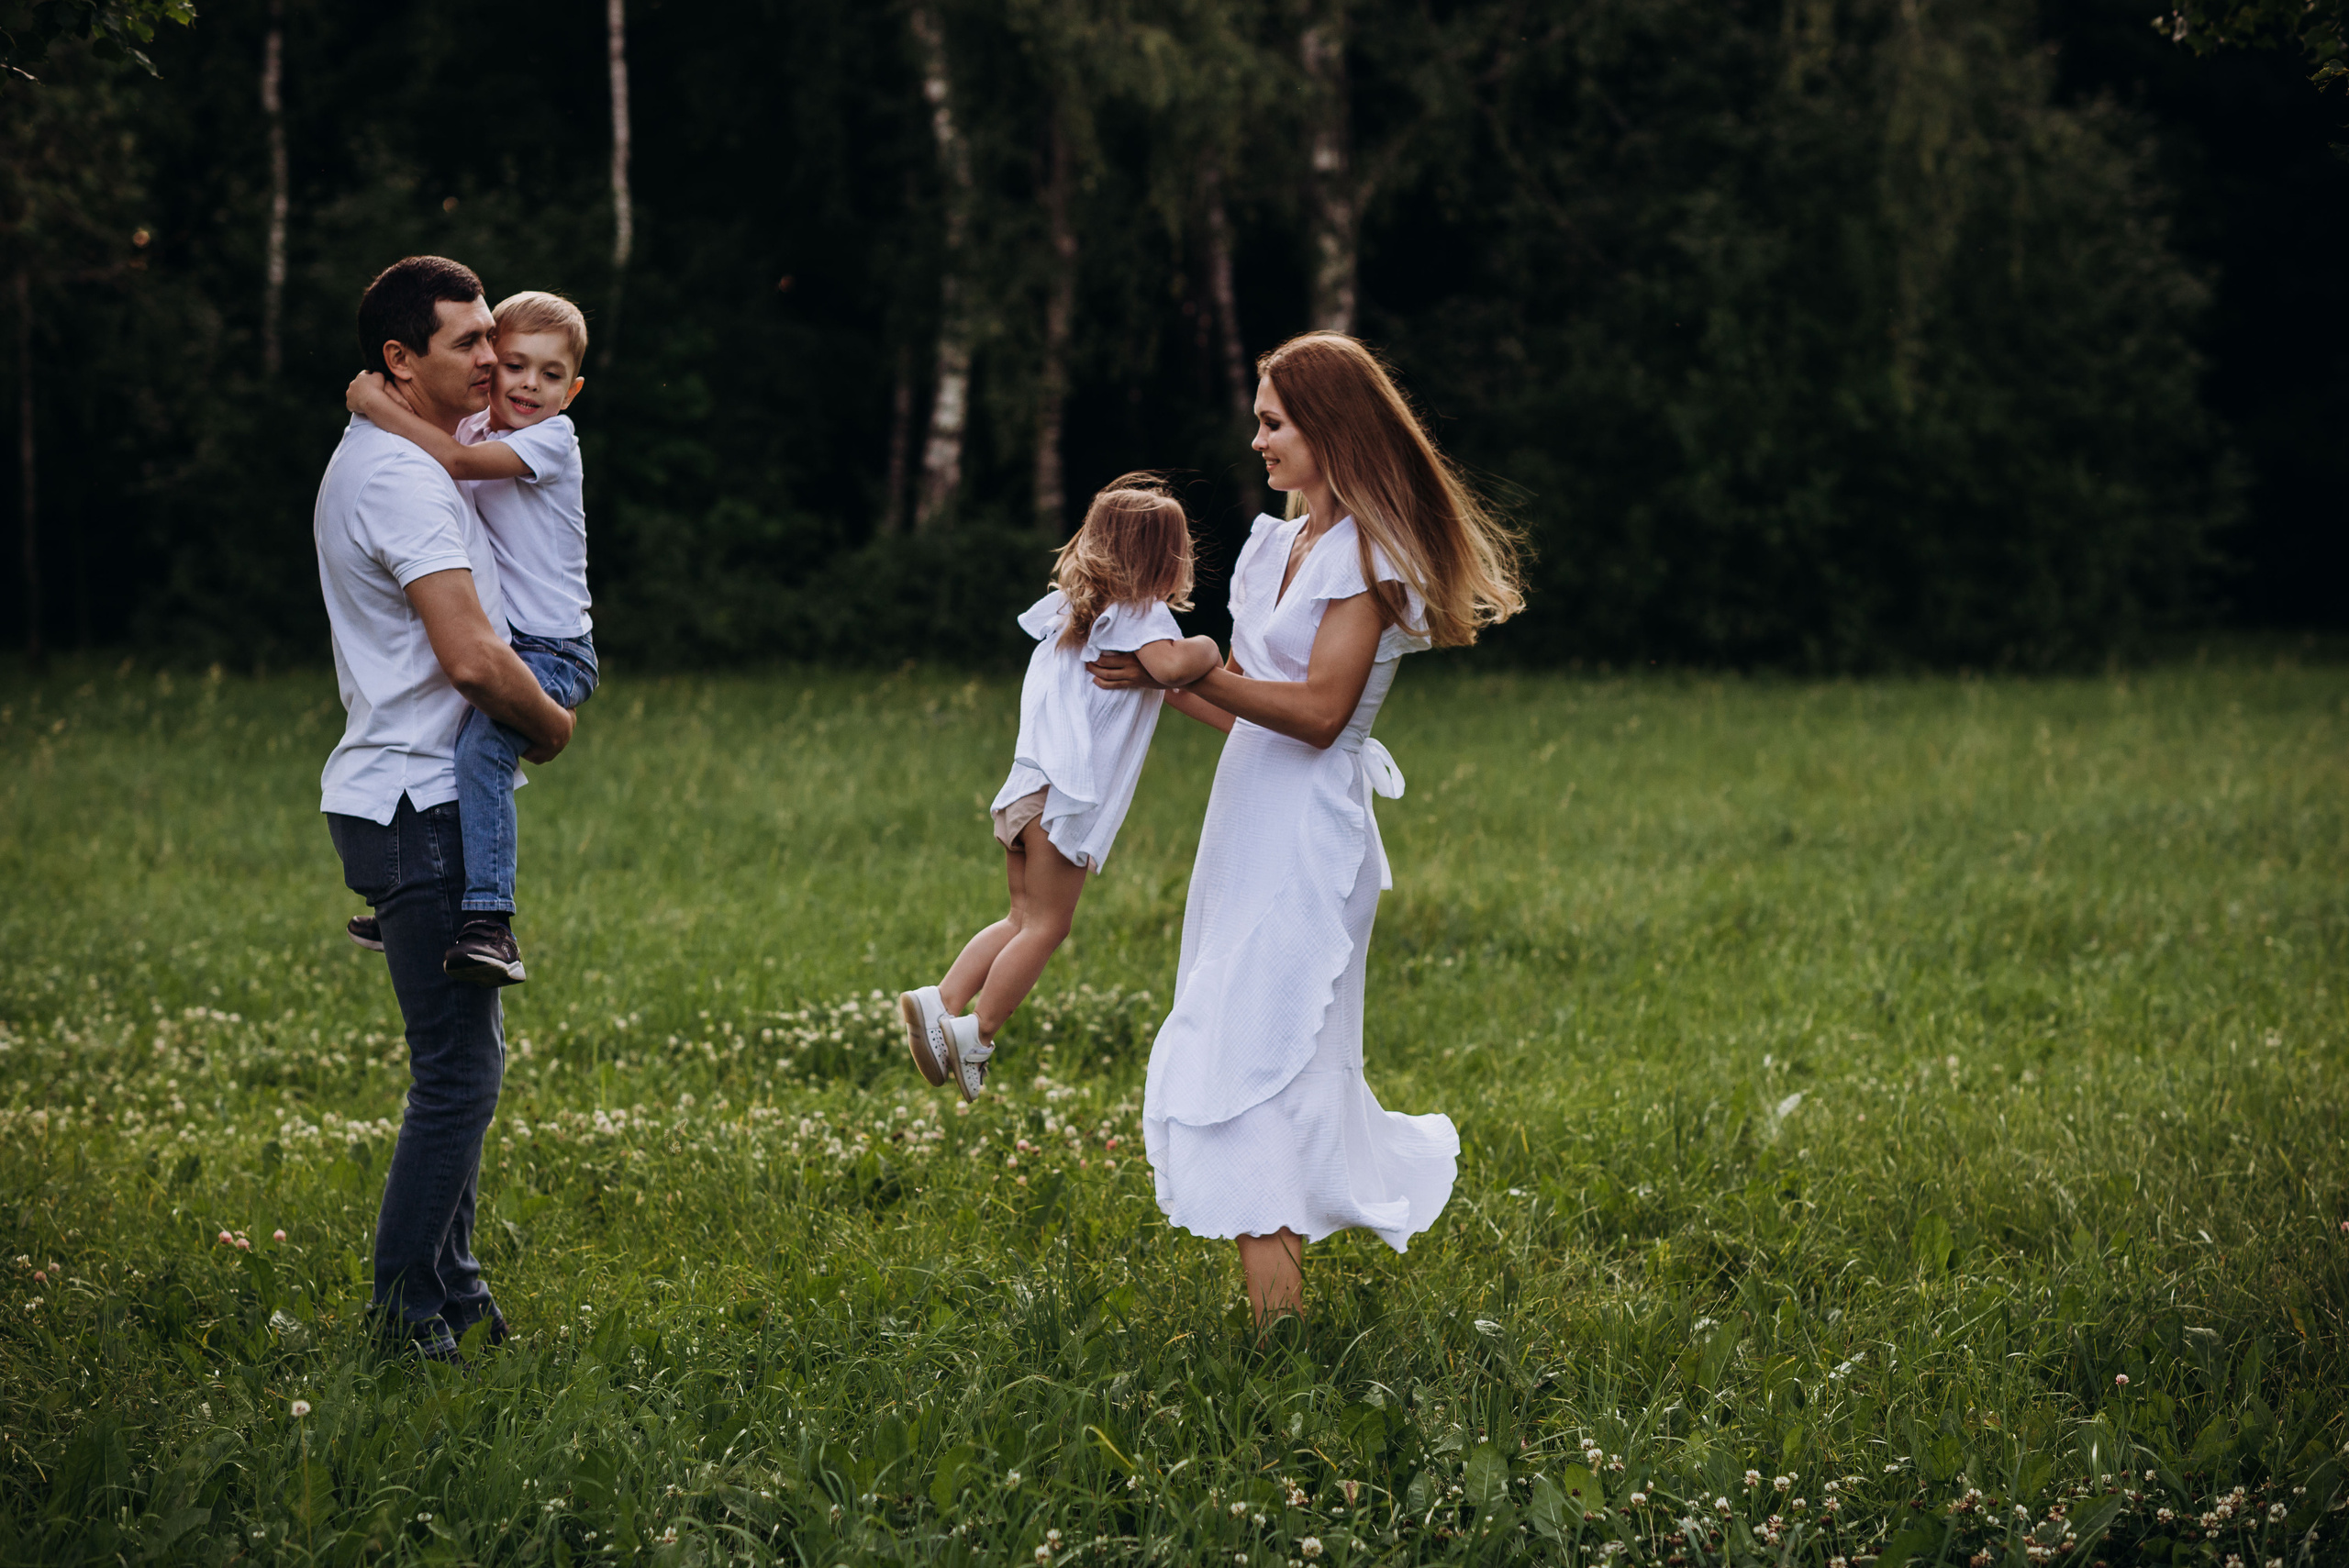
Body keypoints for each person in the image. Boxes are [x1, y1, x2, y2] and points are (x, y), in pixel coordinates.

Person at [1090, 332, 1523, 1325]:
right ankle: (1274, 1328)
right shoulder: (1272, 545)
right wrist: (1150, 677)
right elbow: (1246, 703)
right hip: (1245, 821)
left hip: (1309, 837)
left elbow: (1322, 714)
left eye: (1273, 421)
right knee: (1242, 1045)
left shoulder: (1365, 557)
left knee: (1257, 1054)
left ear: (1328, 429)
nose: (1257, 440)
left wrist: (1193, 668)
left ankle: (1275, 1340)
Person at [314, 256, 576, 1360]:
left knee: (468, 1064)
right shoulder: (403, 479)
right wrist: (553, 726)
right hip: (416, 796)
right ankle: (402, 1315)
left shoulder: (406, 454)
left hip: (411, 795)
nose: (489, 359)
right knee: (459, 1074)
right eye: (469, 343)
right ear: (398, 359)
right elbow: (472, 660)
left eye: (493, 339)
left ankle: (458, 1291)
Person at [901, 474, 1223, 1100]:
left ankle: (939, 998)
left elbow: (1171, 693)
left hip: (1024, 795)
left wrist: (1246, 720)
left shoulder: (1073, 616)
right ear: (1166, 560)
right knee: (1049, 926)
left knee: (1022, 916)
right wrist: (1208, 643)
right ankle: (977, 1033)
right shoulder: (1142, 617)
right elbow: (1173, 669)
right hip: (1063, 801)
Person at [343, 290, 598, 986]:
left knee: (483, 747)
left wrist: (375, 405)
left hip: (555, 648)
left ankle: (491, 920)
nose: (528, 385)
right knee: (452, 733)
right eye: (514, 364)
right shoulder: (482, 423)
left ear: (571, 390)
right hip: (514, 639)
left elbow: (453, 464)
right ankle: (418, 904)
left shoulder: (551, 438)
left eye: (551, 375)